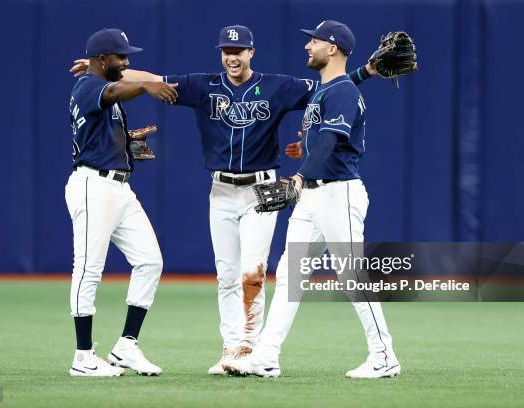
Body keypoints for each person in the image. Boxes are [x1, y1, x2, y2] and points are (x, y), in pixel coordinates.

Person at [70, 24, 378, 375]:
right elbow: (155, 79)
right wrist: (114, 71)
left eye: (239, 50)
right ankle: (231, 348)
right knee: (227, 275)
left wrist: (366, 71)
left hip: (260, 189)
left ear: (251, 53)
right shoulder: (204, 85)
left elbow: (333, 87)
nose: (232, 57)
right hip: (220, 190)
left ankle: (250, 349)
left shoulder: (278, 86)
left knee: (253, 273)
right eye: (226, 51)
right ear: (221, 54)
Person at [223, 20, 401, 379]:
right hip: (314, 197)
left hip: (338, 193)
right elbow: (323, 132)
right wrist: (304, 150)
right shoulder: (329, 90)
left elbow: (332, 141)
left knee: (352, 276)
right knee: (290, 276)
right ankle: (267, 356)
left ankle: (384, 357)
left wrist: (302, 174)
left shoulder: (342, 93)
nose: (308, 47)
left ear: (332, 48)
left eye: (315, 41)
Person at [66, 28, 178, 377]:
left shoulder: (101, 85)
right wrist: (145, 86)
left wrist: (124, 144)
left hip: (119, 186)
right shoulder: (89, 86)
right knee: (88, 268)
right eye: (120, 56)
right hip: (92, 185)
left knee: (150, 261)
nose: (127, 61)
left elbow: (117, 86)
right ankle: (83, 356)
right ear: (103, 60)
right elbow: (116, 87)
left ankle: (126, 346)